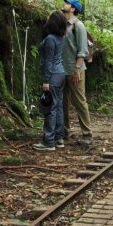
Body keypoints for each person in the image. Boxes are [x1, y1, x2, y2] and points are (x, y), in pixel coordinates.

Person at [34, 10, 68, 151]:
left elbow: (48, 62)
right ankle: (59, 138)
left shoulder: (50, 39)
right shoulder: (60, 38)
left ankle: (48, 141)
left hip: (53, 75)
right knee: (58, 106)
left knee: (50, 108)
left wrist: (46, 80)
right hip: (61, 74)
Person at [61, 0, 93, 147]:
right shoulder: (63, 25)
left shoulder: (78, 26)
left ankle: (87, 134)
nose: (64, 4)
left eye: (67, 3)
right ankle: (64, 131)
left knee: (79, 101)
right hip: (62, 70)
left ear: (72, 8)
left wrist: (77, 69)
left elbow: (83, 50)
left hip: (76, 70)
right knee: (63, 102)